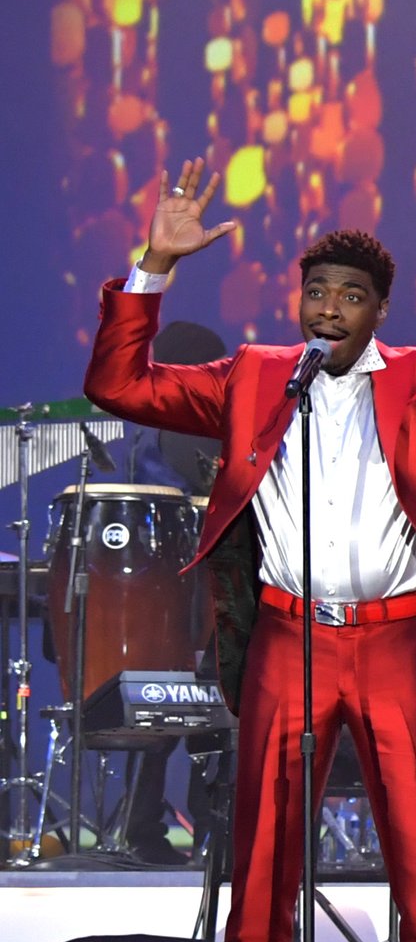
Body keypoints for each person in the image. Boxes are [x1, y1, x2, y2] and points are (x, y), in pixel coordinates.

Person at [83, 158, 416, 942]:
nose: (329, 307)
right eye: (317, 290)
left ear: (379, 310)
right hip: (287, 639)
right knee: (262, 874)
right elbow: (116, 382)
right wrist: (156, 266)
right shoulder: (254, 375)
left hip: (396, 643)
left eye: (350, 295)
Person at [122, 318, 226, 865]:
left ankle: (159, 831)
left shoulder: (175, 425)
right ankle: (170, 831)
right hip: (179, 585)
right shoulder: (169, 431)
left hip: (182, 587)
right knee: (184, 710)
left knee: (196, 710)